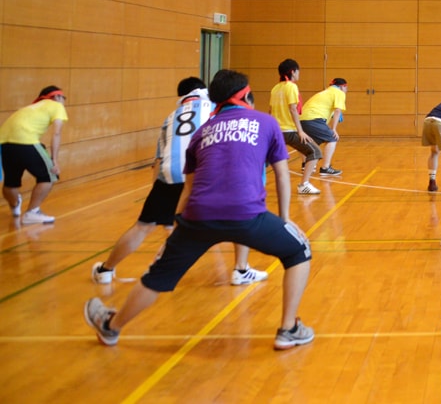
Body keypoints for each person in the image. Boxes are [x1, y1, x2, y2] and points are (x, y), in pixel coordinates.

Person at [83, 69, 314, 349]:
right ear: (247, 96)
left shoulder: (202, 131)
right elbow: (281, 174)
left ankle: (111, 327)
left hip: (198, 218)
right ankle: (288, 330)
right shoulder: (265, 123)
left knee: (157, 277)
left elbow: (190, 190)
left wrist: (176, 233)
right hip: (247, 216)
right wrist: (286, 220)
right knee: (298, 250)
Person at [90, 77, 267, 286]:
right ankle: (241, 269)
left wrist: (159, 196)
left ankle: (105, 270)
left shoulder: (171, 116)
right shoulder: (216, 109)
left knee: (143, 226)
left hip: (170, 175)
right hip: (203, 172)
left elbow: (158, 160)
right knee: (240, 215)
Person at [1, 85, 68, 224]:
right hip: (26, 140)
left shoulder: (29, 108)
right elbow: (57, 133)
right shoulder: (56, 105)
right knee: (49, 175)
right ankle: (32, 212)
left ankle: (14, 204)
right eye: (63, 97)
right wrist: (55, 160)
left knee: (11, 181)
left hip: (4, 143)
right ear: (56, 97)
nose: (64, 101)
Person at [269, 59, 322, 195]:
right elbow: (293, 109)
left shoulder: (275, 88)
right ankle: (304, 184)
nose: (299, 74)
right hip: (288, 130)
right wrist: (300, 131)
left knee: (266, 159)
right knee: (315, 152)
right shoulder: (291, 87)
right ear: (293, 71)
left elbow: (270, 110)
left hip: (276, 131)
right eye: (298, 71)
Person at [299, 78, 347, 177]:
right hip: (314, 118)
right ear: (343, 86)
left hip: (302, 118)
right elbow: (337, 111)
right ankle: (325, 168)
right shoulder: (339, 93)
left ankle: (305, 164)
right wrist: (333, 129)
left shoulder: (324, 93)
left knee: (309, 141)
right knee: (332, 138)